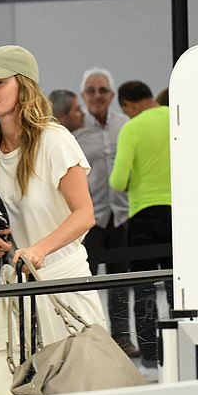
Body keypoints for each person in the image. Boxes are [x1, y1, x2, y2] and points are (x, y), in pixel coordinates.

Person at [0, 45, 107, 395]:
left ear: (23, 86)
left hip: (62, 284)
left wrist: (39, 249)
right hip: (11, 289)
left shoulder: (55, 141)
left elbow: (84, 214)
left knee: (76, 394)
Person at [73, 68, 138, 357]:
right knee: (87, 283)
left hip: (122, 215)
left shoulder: (125, 125)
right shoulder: (74, 131)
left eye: (102, 91)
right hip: (90, 218)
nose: (97, 96)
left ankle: (122, 339)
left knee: (120, 282)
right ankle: (88, 342)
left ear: (112, 96)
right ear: (83, 95)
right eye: (91, 90)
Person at [110, 80, 172, 368]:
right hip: (177, 216)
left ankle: (149, 355)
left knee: (144, 288)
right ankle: (179, 349)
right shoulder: (175, 117)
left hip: (143, 217)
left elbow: (118, 180)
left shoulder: (132, 128)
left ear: (127, 104)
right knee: (177, 286)